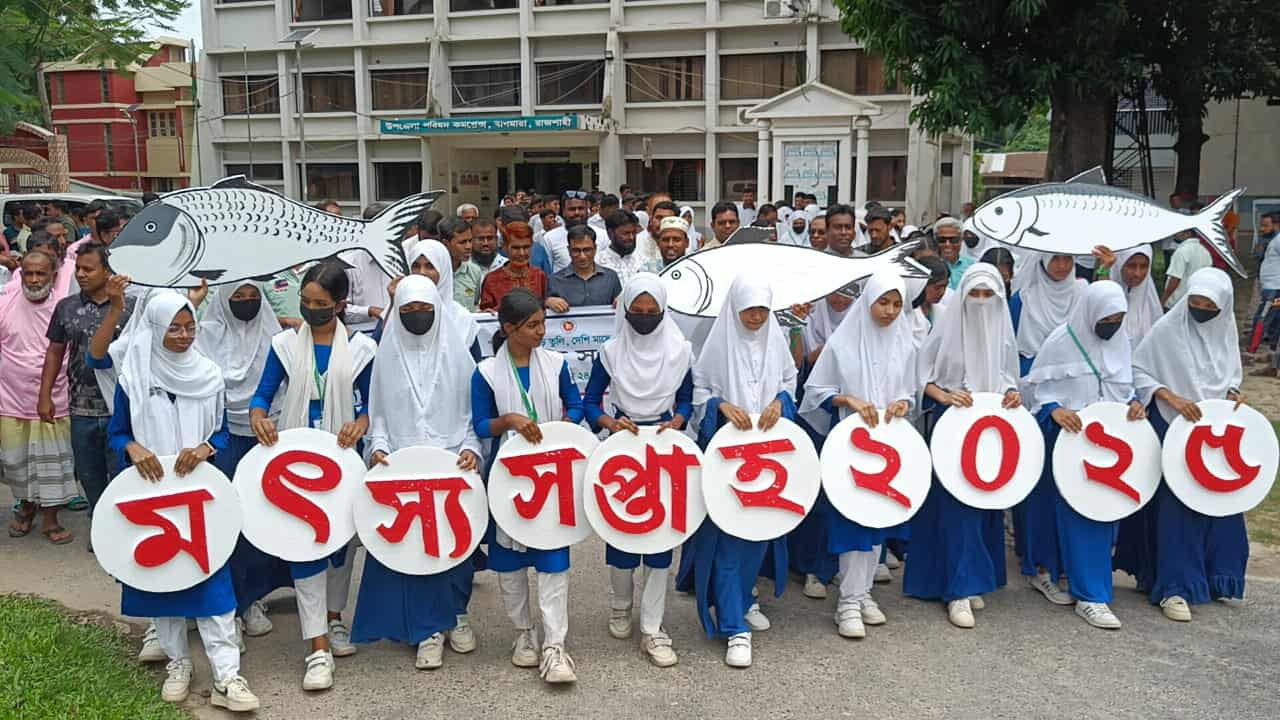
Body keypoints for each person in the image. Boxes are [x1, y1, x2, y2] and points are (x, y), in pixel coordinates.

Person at [91, 290, 259, 711]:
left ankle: (227, 677)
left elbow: (222, 434)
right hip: (153, 497)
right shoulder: (135, 377)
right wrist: (133, 449)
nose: (184, 336)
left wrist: (204, 449)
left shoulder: (209, 375)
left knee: (214, 585)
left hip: (200, 496)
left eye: (189, 328)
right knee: (162, 584)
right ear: (154, 330)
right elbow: (118, 433)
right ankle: (178, 663)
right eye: (174, 329)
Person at [248, 262, 377, 691]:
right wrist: (259, 416)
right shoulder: (285, 345)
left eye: (320, 303)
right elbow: (263, 395)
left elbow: (371, 405)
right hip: (298, 458)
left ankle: (334, 618)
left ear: (340, 305)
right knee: (305, 546)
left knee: (342, 545)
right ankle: (317, 646)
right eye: (305, 301)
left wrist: (360, 424)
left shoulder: (362, 349)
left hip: (342, 456)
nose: (310, 309)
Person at [352, 275, 483, 670]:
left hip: (451, 464)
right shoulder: (386, 357)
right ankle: (428, 630)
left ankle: (456, 614)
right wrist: (378, 447)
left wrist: (471, 448)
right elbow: (377, 414)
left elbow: (472, 415)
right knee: (416, 552)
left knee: (455, 547)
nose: (417, 316)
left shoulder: (458, 356)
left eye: (425, 309)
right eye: (408, 310)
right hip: (403, 467)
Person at [679, 274, 797, 668]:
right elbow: (700, 392)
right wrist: (721, 406)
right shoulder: (717, 346)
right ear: (735, 309)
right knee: (729, 535)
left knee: (758, 532)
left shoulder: (775, 340)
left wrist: (779, 403)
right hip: (728, 453)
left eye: (762, 310)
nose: (756, 317)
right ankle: (733, 627)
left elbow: (788, 380)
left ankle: (744, 598)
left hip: (768, 454)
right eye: (749, 310)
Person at [471, 289, 584, 684]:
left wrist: (565, 423)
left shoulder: (556, 364)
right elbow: (480, 425)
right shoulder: (486, 372)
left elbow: (576, 405)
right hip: (509, 477)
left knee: (553, 559)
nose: (541, 331)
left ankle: (555, 644)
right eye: (533, 325)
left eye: (542, 324)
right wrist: (509, 421)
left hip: (553, 474)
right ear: (509, 328)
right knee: (510, 563)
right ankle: (524, 633)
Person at [583, 274, 694, 667]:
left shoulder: (680, 351)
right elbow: (591, 402)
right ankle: (620, 606)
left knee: (662, 539)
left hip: (664, 446)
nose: (645, 318)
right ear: (625, 311)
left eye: (652, 312)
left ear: (663, 312)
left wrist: (679, 419)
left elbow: (686, 399)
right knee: (622, 533)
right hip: (624, 446)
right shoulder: (611, 352)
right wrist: (610, 423)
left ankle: (652, 626)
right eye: (637, 311)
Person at [800, 271, 917, 638]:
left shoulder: (904, 344)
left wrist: (902, 403)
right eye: (883, 302)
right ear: (868, 302)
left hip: (888, 445)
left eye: (896, 304)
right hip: (851, 443)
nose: (890, 311)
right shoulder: (843, 343)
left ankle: (863, 592)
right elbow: (816, 391)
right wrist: (847, 399)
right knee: (852, 518)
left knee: (879, 516)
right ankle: (848, 601)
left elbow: (908, 391)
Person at [1128, 268, 1248, 623]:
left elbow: (1230, 376)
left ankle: (1216, 577)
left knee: (1220, 500)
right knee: (1177, 508)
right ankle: (1175, 586)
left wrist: (1232, 395)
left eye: (1209, 306)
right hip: (1174, 427)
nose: (1200, 310)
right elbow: (1139, 370)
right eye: (1195, 302)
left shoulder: (1225, 332)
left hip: (1215, 433)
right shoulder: (1168, 329)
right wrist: (1172, 397)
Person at [1021, 281, 1143, 629]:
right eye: (1106, 319)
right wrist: (1055, 410)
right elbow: (1038, 391)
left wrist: (1134, 404)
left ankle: (1086, 585)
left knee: (1099, 513)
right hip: (1066, 442)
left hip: (1106, 448)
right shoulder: (1061, 341)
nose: (1112, 326)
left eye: (1118, 319)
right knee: (1062, 514)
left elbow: (1123, 387)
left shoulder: (1121, 342)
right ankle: (1078, 588)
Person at [906, 263, 1022, 628]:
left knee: (984, 505)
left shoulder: (1003, 334)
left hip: (991, 429)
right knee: (956, 509)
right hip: (953, 426)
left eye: (989, 295)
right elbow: (920, 377)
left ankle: (975, 578)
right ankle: (957, 589)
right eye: (975, 294)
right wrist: (944, 395)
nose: (982, 302)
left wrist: (1012, 394)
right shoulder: (945, 329)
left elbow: (1009, 376)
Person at [194, 282, 291, 640]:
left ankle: (253, 599)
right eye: (238, 298)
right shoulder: (204, 335)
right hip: (220, 438)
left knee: (260, 518)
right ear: (223, 300)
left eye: (253, 297)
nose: (247, 304)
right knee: (225, 520)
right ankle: (227, 605)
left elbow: (281, 383)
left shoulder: (273, 335)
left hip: (267, 433)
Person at [37, 243, 134, 524]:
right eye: (78, 268)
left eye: (88, 269)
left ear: (107, 271)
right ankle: (99, 525)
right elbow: (55, 352)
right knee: (89, 474)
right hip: (81, 408)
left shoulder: (130, 308)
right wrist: (45, 395)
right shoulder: (66, 307)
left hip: (121, 409)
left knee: (123, 475)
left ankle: (122, 529)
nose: (80, 274)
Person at [2, 247, 75, 544]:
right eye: (28, 274)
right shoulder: (5, 303)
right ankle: (26, 507)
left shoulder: (65, 306)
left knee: (53, 464)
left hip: (54, 399)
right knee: (16, 462)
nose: (34, 280)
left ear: (54, 275)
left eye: (40, 274)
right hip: (11, 398)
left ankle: (50, 519)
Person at [1012, 254, 1086, 375]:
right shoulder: (1024, 299)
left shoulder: (1083, 292)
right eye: (1055, 258)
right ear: (1044, 261)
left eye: (1067, 258)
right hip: (1033, 371)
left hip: (1076, 371)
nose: (1062, 266)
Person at [339, 203, 393, 335]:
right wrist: (370, 311)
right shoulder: (348, 263)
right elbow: (340, 309)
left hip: (395, 332)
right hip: (361, 334)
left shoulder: (399, 260)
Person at [545, 226, 622, 312]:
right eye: (576, 250)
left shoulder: (611, 277)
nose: (582, 256)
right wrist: (548, 302)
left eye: (587, 250)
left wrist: (621, 302)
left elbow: (621, 308)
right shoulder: (554, 280)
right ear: (569, 250)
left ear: (595, 248)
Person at [480, 221, 547, 311]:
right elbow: (486, 314)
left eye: (526, 247)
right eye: (516, 248)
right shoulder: (492, 280)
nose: (522, 253)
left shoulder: (539, 276)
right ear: (505, 247)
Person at [541, 191, 606, 272]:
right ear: (563, 212)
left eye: (581, 208)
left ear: (587, 210)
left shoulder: (602, 235)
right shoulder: (549, 238)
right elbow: (547, 271)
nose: (577, 213)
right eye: (572, 209)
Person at [1113, 246, 1162, 350]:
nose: (1137, 274)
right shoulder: (1107, 298)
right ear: (1119, 264)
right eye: (1131, 266)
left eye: (1144, 266)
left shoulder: (1152, 306)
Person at [597, 210, 658, 287]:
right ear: (610, 233)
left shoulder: (644, 261)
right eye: (626, 233)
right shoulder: (598, 264)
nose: (631, 237)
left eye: (634, 233)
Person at [1246, 212, 1280, 352]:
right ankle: (1272, 347)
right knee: (1274, 316)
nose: (1262, 228)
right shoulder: (1272, 239)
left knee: (1263, 316)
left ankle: (1253, 348)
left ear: (1277, 224)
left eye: (1266, 225)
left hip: (1274, 287)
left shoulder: (1278, 240)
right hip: (1271, 286)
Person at [440, 217, 483, 312]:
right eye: (462, 242)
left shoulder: (474, 272)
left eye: (470, 241)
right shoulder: (435, 273)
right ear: (446, 243)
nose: (468, 247)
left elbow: (475, 305)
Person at [1161, 232, 1213, 309]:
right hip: (1195, 301)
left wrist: (1163, 300)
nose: (1175, 234)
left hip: (1177, 303)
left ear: (1188, 233)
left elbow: (1175, 279)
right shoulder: (1205, 252)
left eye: (1179, 232)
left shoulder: (1181, 251)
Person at [933, 217, 974, 288]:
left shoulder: (972, 267)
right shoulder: (928, 267)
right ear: (935, 240)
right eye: (942, 240)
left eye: (953, 240)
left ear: (961, 240)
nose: (947, 244)